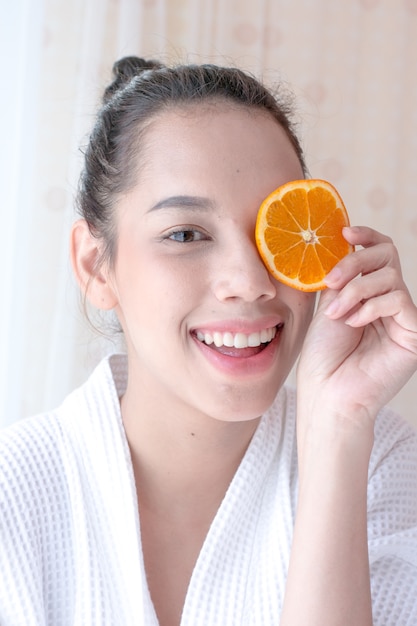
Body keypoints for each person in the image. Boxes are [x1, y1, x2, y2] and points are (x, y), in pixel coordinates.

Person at [1, 56, 416, 626]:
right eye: (186, 234)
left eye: (275, 232)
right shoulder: (13, 493)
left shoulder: (382, 464)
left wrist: (338, 432)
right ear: (97, 266)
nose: (249, 281)